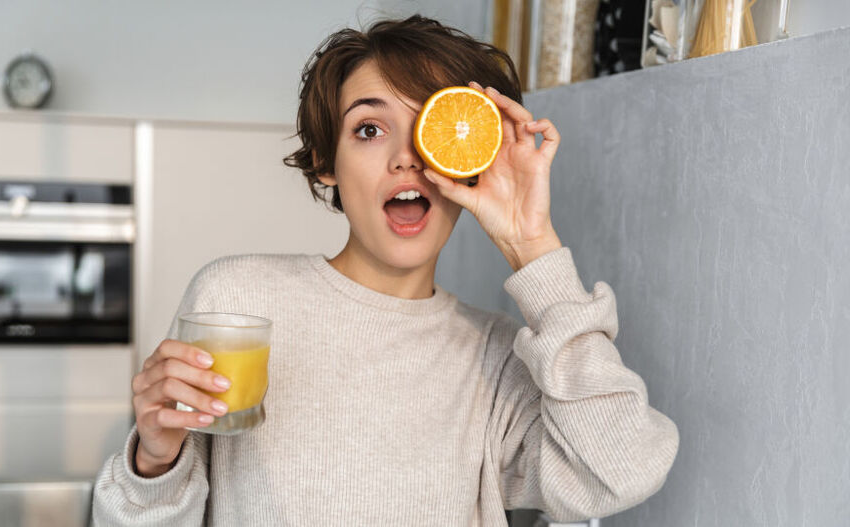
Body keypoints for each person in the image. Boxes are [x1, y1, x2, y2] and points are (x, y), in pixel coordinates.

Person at [92, 15, 679, 526]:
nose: (406, 157)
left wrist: (532, 246)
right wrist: (154, 458)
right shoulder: (240, 296)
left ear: (467, 160)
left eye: (435, 129)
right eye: (369, 129)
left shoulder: (497, 357)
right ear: (326, 161)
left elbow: (623, 469)